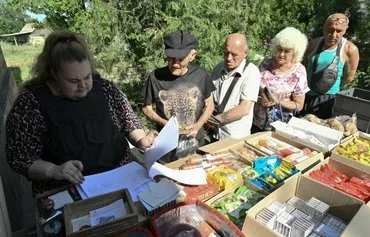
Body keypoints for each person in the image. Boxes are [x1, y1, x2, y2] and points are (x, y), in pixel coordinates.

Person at [5, 31, 156, 195]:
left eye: (87, 77)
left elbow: (129, 123)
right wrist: (54, 170)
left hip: (121, 178)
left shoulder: (105, 89)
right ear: (54, 74)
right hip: (65, 190)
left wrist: (141, 140)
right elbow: (20, 158)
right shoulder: (30, 104)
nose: (83, 85)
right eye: (73, 81)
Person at [142, 30, 215, 162]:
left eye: (180, 59)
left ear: (192, 56)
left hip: (194, 144)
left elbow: (210, 105)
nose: (175, 64)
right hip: (165, 148)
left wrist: (198, 125)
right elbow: (147, 108)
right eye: (170, 59)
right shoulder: (155, 77)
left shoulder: (201, 75)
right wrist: (167, 125)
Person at [303, 13, 360, 119]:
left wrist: (328, 84)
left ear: (345, 30)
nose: (333, 35)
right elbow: (302, 67)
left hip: (328, 100)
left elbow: (348, 78)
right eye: (330, 29)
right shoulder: (313, 45)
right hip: (305, 95)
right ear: (324, 28)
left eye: (339, 31)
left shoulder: (350, 50)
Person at [252, 27, 309, 132]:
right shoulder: (265, 64)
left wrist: (278, 102)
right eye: (279, 49)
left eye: (286, 51)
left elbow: (299, 105)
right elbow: (253, 90)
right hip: (256, 123)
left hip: (280, 127)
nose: (281, 54)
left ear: (295, 52)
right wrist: (261, 100)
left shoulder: (299, 71)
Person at [211, 33, 261, 139]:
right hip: (214, 133)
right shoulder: (218, 68)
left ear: (245, 53)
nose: (229, 58)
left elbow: (244, 108)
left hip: (234, 137)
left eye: (234, 54)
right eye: (226, 53)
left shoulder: (251, 72)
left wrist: (215, 120)